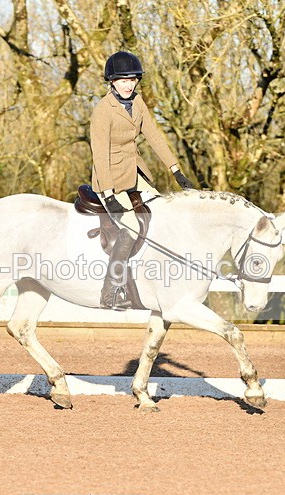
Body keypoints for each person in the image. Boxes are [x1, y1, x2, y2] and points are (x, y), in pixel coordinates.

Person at [90, 51, 195, 310]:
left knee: (161, 210)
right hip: (109, 176)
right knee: (130, 227)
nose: (129, 84)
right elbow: (100, 155)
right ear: (111, 82)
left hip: (134, 170)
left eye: (132, 80)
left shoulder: (138, 103)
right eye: (123, 80)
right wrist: (109, 194)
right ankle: (110, 291)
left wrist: (175, 170)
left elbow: (155, 136)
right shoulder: (103, 111)